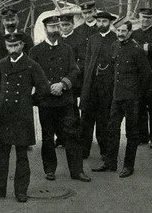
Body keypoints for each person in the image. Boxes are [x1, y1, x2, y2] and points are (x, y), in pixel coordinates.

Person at [0, 32, 50, 203]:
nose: (13, 49)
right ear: (6, 46)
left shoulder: (31, 65)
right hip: (4, 114)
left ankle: (21, 191)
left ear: (22, 46)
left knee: (22, 155)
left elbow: (44, 88)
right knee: (1, 155)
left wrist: (29, 101)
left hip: (22, 115)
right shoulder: (1, 64)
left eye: (16, 45)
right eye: (9, 46)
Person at [29, 15, 90, 182]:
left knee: (72, 135)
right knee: (48, 137)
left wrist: (62, 84)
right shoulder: (35, 51)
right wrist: (48, 86)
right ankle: (49, 169)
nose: (56, 30)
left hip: (65, 101)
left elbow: (74, 71)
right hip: (46, 102)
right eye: (52, 27)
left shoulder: (67, 49)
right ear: (45, 29)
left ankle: (77, 171)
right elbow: (32, 74)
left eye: (57, 27)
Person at [96, 19, 152, 178]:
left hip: (132, 98)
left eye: (123, 31)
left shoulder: (137, 50)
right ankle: (110, 163)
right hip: (117, 96)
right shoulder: (114, 46)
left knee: (131, 133)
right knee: (112, 129)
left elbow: (146, 75)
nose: (120, 34)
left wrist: (137, 95)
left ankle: (128, 166)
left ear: (130, 32)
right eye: (118, 31)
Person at [80, 11, 118, 160]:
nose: (101, 24)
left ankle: (105, 151)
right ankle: (84, 150)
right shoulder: (93, 39)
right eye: (99, 21)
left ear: (109, 23)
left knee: (104, 120)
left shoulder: (115, 39)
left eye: (104, 22)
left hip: (106, 86)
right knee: (86, 120)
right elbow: (88, 61)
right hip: (91, 85)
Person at [131, 7, 152, 151]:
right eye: (143, 17)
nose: (145, 20)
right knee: (139, 107)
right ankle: (142, 135)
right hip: (138, 76)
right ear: (139, 18)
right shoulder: (134, 33)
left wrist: (146, 47)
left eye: (148, 18)